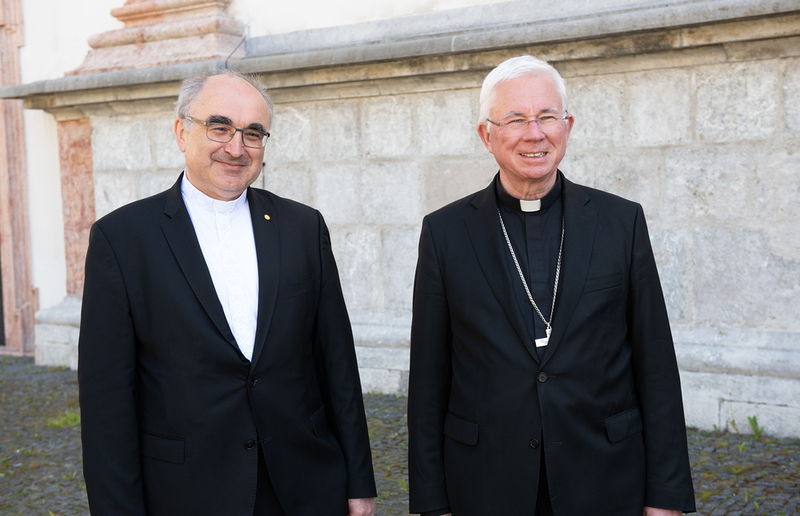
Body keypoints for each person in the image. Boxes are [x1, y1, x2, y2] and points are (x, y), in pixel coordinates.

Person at [78, 69, 377, 516]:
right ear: (182, 132)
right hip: (187, 492)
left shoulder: (302, 227)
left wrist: (359, 482)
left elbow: (336, 363)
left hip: (304, 487)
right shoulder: (121, 240)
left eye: (253, 133)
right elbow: (106, 404)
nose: (236, 148)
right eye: (219, 127)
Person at [407, 55, 696, 516]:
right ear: (487, 135)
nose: (534, 133)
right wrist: (431, 501)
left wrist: (667, 495)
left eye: (547, 117)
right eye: (516, 119)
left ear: (568, 126)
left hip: (604, 478)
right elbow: (428, 377)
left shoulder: (620, 222)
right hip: (486, 484)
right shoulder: (445, 233)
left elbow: (655, 365)